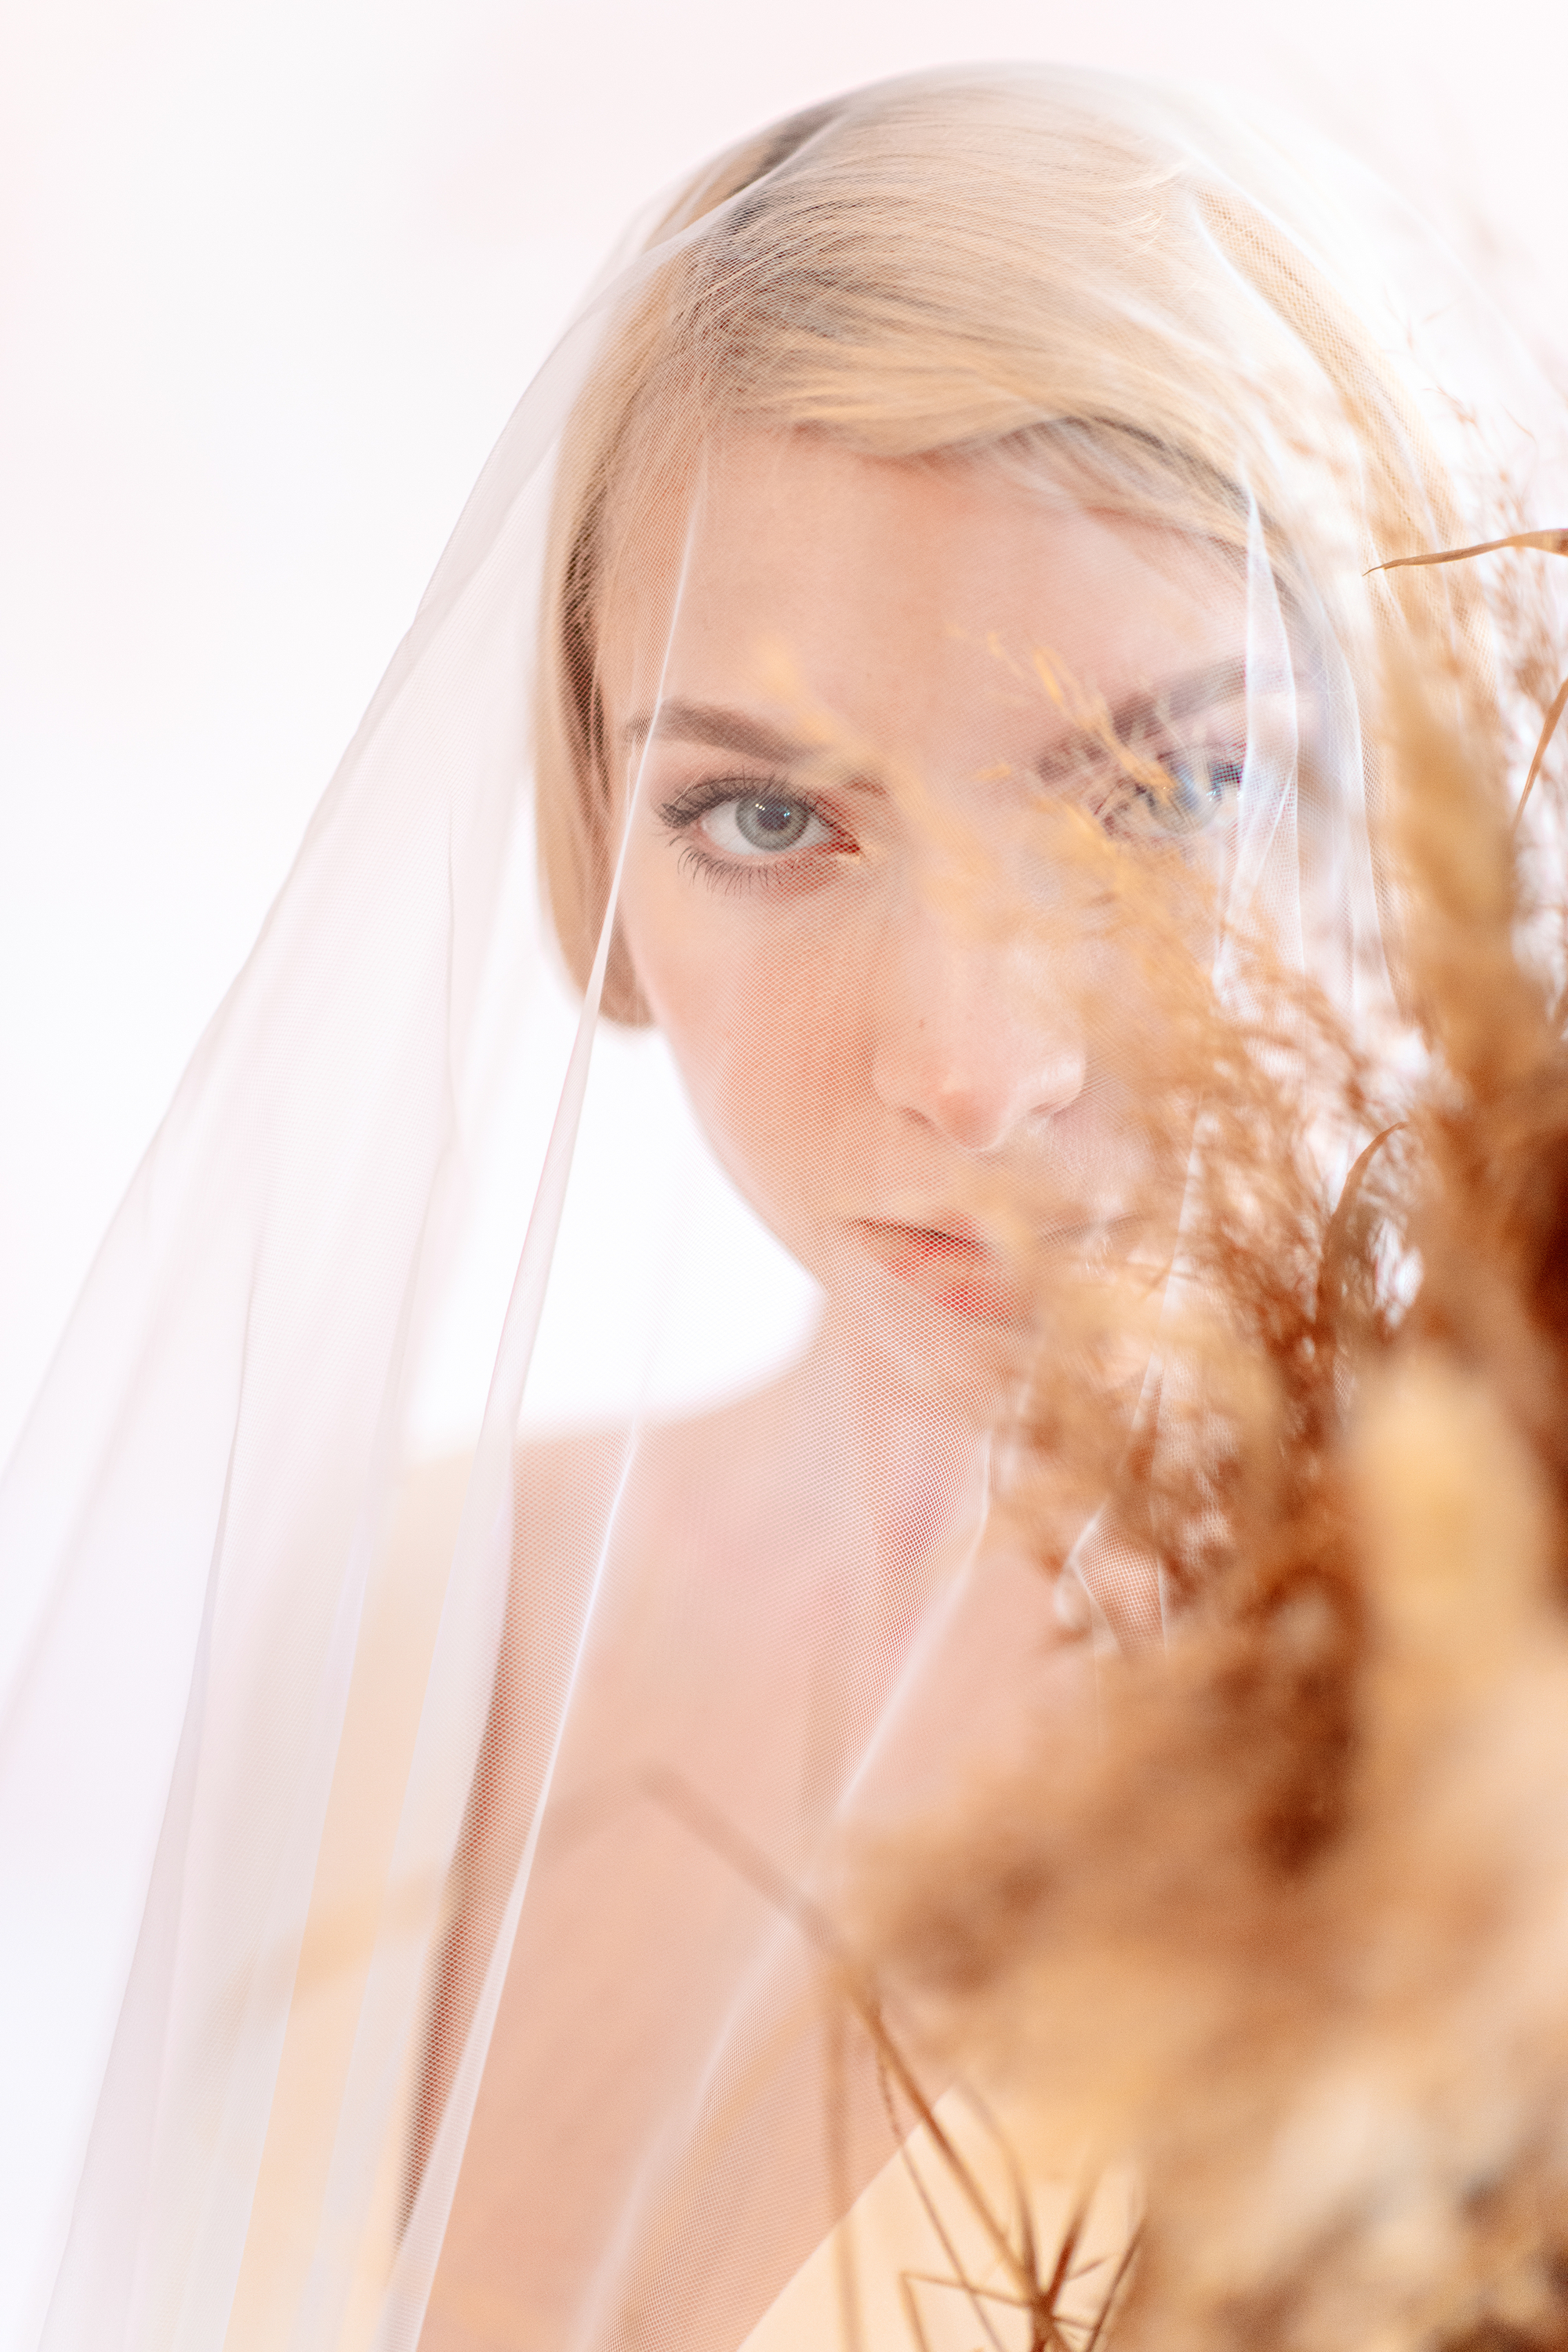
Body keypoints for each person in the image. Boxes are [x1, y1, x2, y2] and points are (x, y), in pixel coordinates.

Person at [3, 62, 1559, 2352]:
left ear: (1429, 801)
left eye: (1178, 787)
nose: (966, 1056)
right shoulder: (355, 1631)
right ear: (591, 847)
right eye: (764, 818)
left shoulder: (1493, 1765)